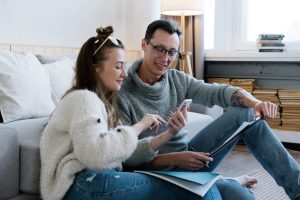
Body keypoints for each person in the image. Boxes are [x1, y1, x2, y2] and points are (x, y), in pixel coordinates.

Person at [117, 19, 300, 200]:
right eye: (159, 49)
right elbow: (126, 160)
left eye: (172, 52)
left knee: (246, 112)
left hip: (189, 158)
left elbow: (219, 92)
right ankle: (225, 182)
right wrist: (174, 159)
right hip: (154, 174)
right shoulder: (121, 91)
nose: (165, 59)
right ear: (144, 44)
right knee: (239, 195)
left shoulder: (177, 79)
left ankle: (298, 189)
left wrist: (255, 103)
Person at [39, 26, 224, 200]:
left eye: (124, 66)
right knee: (198, 188)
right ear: (96, 68)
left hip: (100, 179)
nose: (125, 74)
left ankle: (225, 182)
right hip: (82, 183)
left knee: (209, 187)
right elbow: (94, 154)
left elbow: (119, 153)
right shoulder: (83, 99)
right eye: (118, 66)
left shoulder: (102, 104)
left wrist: (169, 133)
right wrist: (140, 126)